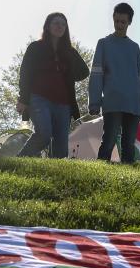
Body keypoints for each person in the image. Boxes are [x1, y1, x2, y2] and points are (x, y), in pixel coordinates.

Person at [16, 12, 90, 158]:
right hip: (39, 98)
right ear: (48, 26)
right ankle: (20, 161)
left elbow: (84, 72)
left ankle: (54, 176)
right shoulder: (36, 47)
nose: (59, 26)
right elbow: (25, 72)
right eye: (56, 23)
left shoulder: (69, 52)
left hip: (63, 103)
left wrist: (68, 73)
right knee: (44, 134)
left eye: (63, 24)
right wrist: (23, 99)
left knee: (61, 146)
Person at [88, 2, 140, 164]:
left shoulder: (134, 48)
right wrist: (94, 101)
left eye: (123, 22)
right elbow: (96, 74)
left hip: (134, 104)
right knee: (108, 141)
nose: (119, 25)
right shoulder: (104, 44)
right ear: (113, 19)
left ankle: (128, 179)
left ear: (129, 22)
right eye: (116, 21)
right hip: (113, 101)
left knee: (129, 145)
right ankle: (100, 174)